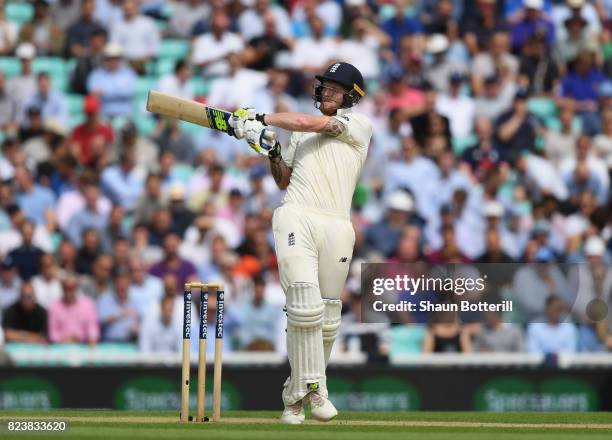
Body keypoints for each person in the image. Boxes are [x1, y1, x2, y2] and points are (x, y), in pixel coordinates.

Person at [229, 62, 372, 424]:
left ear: (352, 96)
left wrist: (262, 117)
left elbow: (311, 123)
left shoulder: (358, 125)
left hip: (338, 223)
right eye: (324, 86)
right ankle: (314, 392)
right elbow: (282, 180)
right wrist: (272, 151)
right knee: (304, 306)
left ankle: (296, 398)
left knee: (327, 316)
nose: (325, 92)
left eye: (334, 88)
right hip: (297, 214)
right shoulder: (300, 134)